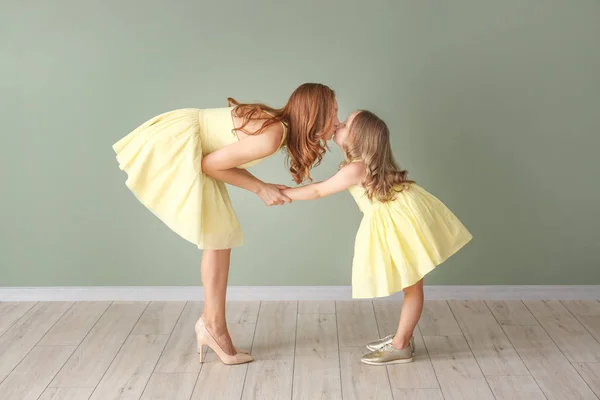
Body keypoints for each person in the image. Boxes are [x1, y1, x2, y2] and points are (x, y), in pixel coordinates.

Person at [112, 83, 340, 365]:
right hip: (178, 140)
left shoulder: (277, 130)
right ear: (316, 115)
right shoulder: (274, 134)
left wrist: (263, 186)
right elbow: (210, 164)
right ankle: (213, 326)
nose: (337, 122)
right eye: (334, 113)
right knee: (219, 236)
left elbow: (216, 161)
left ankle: (212, 325)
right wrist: (260, 188)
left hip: (186, 138)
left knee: (220, 236)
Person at [282, 110, 472, 365]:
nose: (339, 123)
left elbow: (318, 191)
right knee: (412, 287)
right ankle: (402, 337)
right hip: (402, 214)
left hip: (399, 222)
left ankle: (401, 345)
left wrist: (283, 193)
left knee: (413, 288)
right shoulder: (360, 166)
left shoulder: (356, 169)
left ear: (359, 138)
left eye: (347, 123)